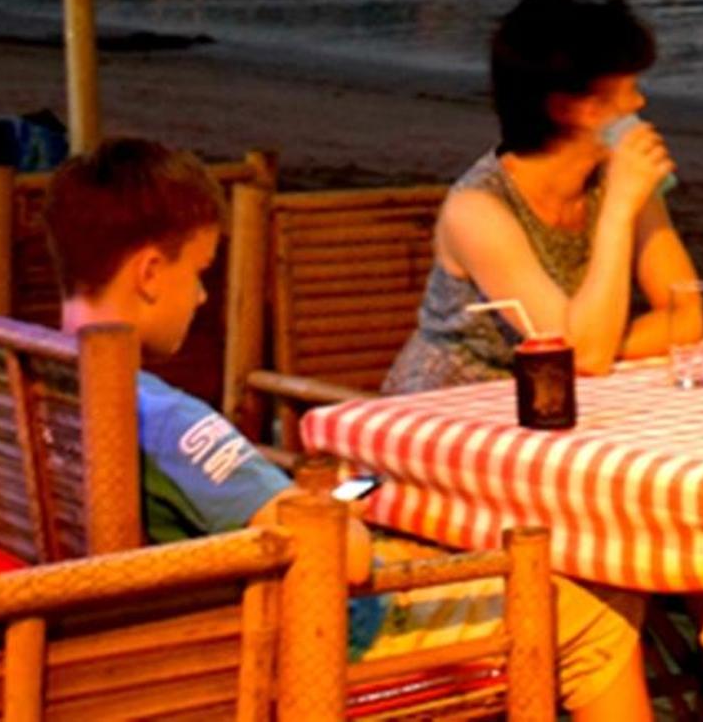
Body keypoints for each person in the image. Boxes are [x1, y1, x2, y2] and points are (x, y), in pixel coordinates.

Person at [47, 139, 650, 720]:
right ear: (151, 272)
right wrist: (342, 509)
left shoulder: (36, 383)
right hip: (293, 651)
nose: (203, 297)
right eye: (200, 272)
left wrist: (326, 503)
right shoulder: (166, 420)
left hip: (145, 652)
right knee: (594, 614)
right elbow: (342, 559)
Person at [384, 0, 703, 391]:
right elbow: (584, 356)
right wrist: (618, 210)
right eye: (627, 91)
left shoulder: (619, 177)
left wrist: (601, 344)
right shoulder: (478, 210)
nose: (639, 102)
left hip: (558, 393)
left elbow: (688, 315)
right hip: (456, 403)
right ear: (570, 108)